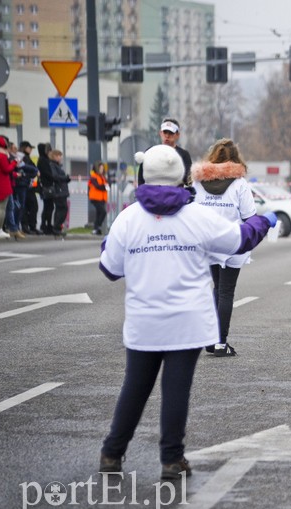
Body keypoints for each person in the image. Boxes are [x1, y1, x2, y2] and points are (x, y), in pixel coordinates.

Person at [98, 144, 277, 480]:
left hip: (143, 322)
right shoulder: (196, 216)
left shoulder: (128, 218)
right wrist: (263, 221)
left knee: (135, 387)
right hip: (186, 322)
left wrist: (109, 242)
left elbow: (109, 268)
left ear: (145, 175)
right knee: (176, 389)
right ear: (181, 177)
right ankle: (171, 459)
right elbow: (239, 240)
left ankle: (111, 453)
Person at [191, 138, 259, 357]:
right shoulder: (239, 184)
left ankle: (211, 339)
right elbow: (250, 216)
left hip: (208, 243)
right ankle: (220, 342)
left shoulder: (198, 182)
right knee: (226, 292)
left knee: (217, 289)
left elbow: (191, 212)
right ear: (235, 159)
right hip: (232, 243)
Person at [138, 118, 193, 186]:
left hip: (174, 195)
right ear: (160, 133)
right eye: (165, 132)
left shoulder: (183, 154)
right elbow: (141, 178)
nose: (167, 136)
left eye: (171, 133)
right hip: (154, 195)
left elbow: (188, 180)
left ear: (177, 135)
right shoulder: (151, 152)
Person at [0, 135, 16, 239]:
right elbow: (7, 169)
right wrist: (14, 163)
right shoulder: (1, 156)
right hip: (2, 184)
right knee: (2, 208)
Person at [19, 141, 41, 234]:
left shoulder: (26, 158)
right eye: (30, 148)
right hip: (26, 185)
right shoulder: (23, 158)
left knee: (32, 207)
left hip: (30, 185)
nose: (31, 150)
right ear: (25, 148)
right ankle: (27, 226)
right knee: (29, 207)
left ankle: (31, 226)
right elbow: (26, 169)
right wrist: (34, 173)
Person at [47, 150, 71, 236]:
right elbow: (55, 176)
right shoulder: (53, 165)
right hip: (59, 191)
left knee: (61, 209)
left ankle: (57, 227)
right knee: (62, 208)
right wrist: (65, 178)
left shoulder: (57, 166)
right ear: (54, 156)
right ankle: (56, 227)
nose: (60, 158)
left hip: (61, 190)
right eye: (58, 156)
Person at [37, 143, 55, 234]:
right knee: (48, 206)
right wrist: (54, 177)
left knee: (49, 207)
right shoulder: (43, 160)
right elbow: (47, 173)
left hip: (46, 185)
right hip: (46, 186)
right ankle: (45, 225)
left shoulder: (43, 160)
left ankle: (46, 224)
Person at [88, 161, 108, 236]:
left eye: (102, 168)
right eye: (100, 168)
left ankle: (96, 229)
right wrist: (105, 186)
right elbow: (98, 186)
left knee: (99, 213)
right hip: (95, 197)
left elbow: (106, 185)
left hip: (102, 198)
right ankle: (97, 227)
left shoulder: (103, 177)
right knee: (103, 212)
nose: (101, 170)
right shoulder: (94, 176)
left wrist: (105, 185)